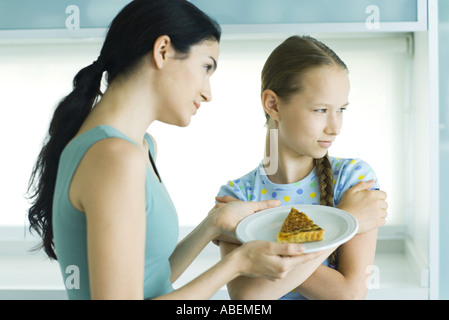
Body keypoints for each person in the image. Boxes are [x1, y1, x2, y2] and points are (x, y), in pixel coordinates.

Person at [26, 0, 327, 300]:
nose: (207, 93)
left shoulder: (140, 147)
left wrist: (212, 225)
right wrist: (237, 263)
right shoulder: (114, 157)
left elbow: (149, 279)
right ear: (163, 51)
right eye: (206, 67)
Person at [216, 35, 388, 300]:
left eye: (341, 109)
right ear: (273, 105)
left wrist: (256, 238)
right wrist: (344, 221)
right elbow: (248, 299)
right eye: (320, 110)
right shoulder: (237, 198)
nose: (335, 127)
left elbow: (348, 295)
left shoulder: (353, 180)